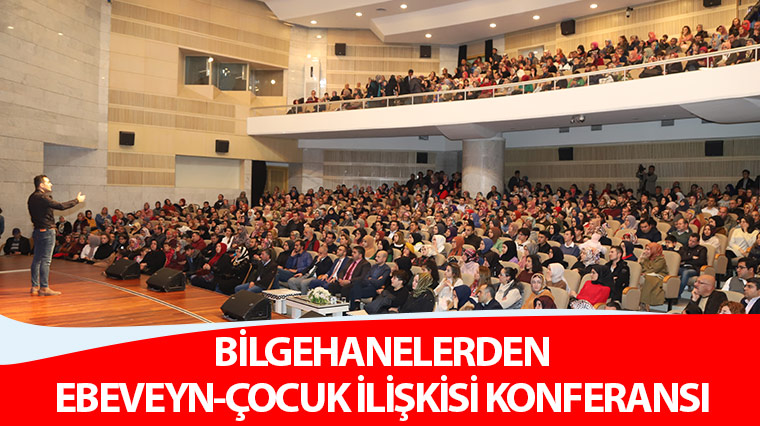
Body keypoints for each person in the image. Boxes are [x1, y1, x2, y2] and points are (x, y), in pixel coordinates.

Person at [27, 175, 85, 296]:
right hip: (47, 231)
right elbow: (61, 206)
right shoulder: (43, 197)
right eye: (48, 182)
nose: (51, 184)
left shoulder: (31, 198)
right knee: (46, 260)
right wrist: (77, 200)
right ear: (41, 185)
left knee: (37, 259)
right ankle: (44, 287)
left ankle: (34, 286)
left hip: (37, 231)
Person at [639, 242, 669, 310]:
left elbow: (654, 269)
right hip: (648, 275)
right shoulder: (646, 258)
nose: (645, 251)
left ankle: (644, 302)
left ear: (654, 250)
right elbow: (640, 268)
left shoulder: (661, 259)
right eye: (645, 249)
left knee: (646, 279)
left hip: (659, 276)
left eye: (648, 249)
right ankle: (641, 302)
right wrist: (640, 259)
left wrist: (644, 272)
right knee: (639, 278)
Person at [676, 234, 707, 298]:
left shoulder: (702, 249)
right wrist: (691, 257)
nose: (690, 243)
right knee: (672, 270)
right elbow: (680, 258)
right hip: (682, 267)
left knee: (686, 273)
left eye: (693, 241)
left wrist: (686, 260)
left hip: (694, 269)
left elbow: (701, 261)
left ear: (698, 242)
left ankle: (676, 295)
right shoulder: (683, 248)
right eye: (690, 240)